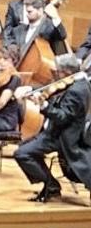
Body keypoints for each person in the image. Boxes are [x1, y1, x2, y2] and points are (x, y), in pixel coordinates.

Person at [13, 52, 91, 201]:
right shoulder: (76, 82)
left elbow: (63, 117)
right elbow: (57, 96)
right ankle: (50, 184)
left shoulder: (77, 90)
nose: (55, 74)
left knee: (22, 153)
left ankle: (51, 185)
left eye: (57, 72)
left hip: (61, 136)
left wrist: (44, 105)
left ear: (66, 72)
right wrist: (34, 91)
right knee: (24, 147)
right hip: (53, 131)